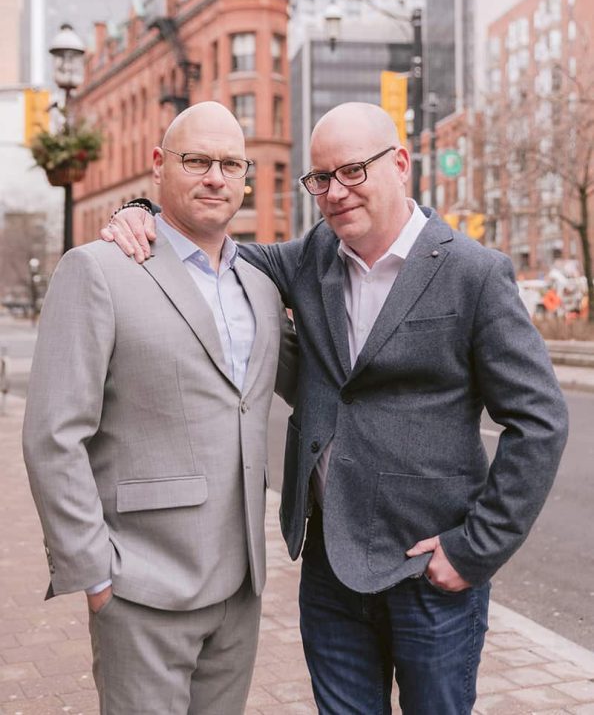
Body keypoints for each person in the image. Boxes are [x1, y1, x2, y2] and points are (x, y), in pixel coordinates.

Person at [103, 102, 568, 715]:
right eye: (320, 179)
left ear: (400, 164)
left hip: (429, 566)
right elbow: (214, 249)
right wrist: (140, 213)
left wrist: (476, 548)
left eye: (352, 171)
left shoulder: (473, 273)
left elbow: (540, 422)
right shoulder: (311, 258)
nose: (335, 192)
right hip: (330, 564)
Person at [23, 101, 296, 715]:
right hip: (140, 586)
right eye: (196, 160)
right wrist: (94, 574)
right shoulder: (99, 270)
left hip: (241, 587)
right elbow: (52, 435)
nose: (215, 177)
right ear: (158, 166)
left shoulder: (260, 284)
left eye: (231, 163)